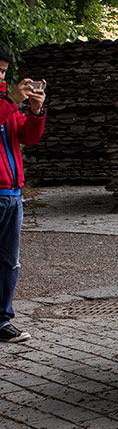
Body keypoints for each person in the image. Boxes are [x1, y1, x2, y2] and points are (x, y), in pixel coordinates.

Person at [0, 45, 47, 343]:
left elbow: (28, 137)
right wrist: (9, 101)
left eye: (3, 71)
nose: (0, 75)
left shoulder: (8, 103)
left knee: (8, 262)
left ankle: (2, 320)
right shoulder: (5, 102)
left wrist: (34, 110)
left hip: (12, 193)